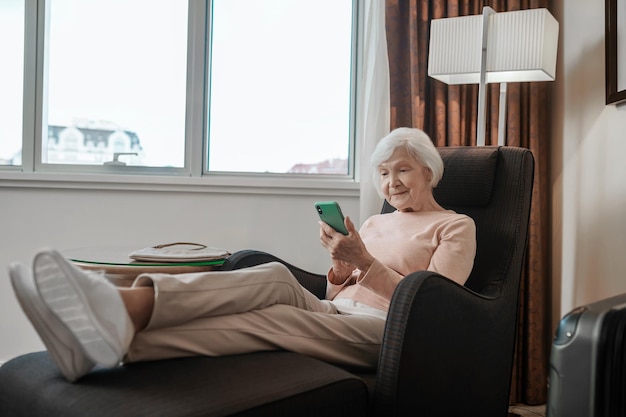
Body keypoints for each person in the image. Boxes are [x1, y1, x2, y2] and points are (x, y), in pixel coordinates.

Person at [9, 127, 476, 383]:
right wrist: (340, 265)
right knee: (272, 277)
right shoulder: (375, 222)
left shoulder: (455, 226)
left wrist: (366, 263)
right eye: (382, 173)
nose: (391, 182)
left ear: (429, 172)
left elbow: (433, 310)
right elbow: (341, 286)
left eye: (402, 170)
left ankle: (115, 330)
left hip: (389, 333)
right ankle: (122, 310)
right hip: (338, 308)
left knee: (274, 319)